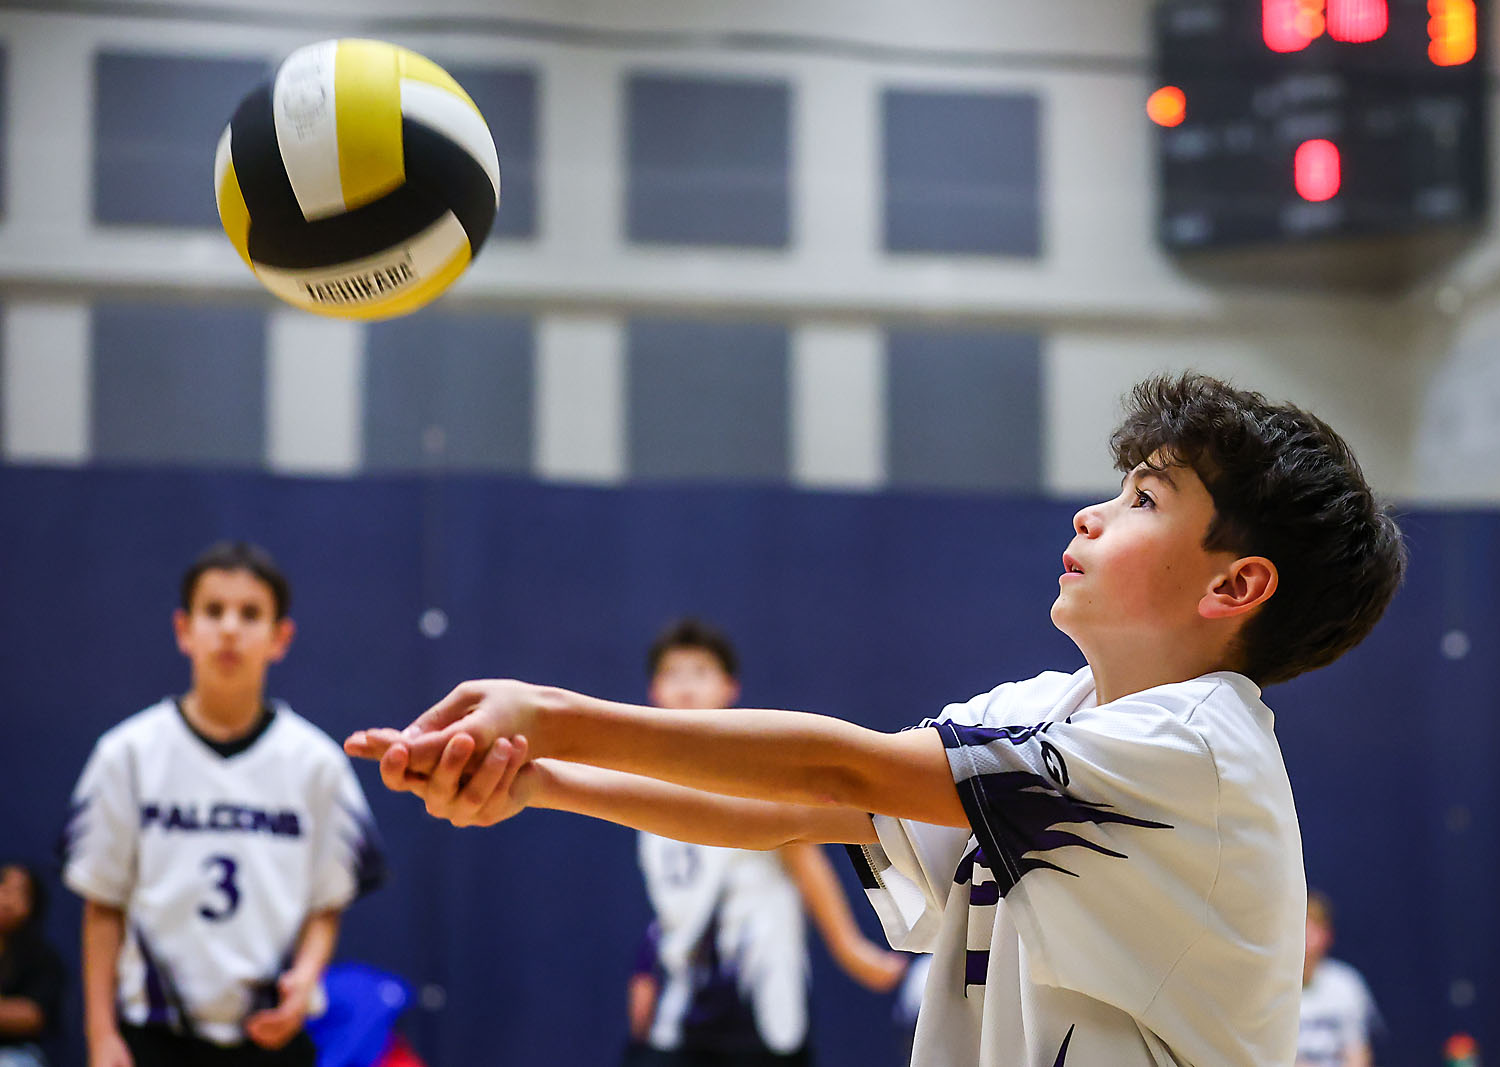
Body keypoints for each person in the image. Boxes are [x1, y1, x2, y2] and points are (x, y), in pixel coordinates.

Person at [346, 372, 1407, 1066]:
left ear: (1234, 585)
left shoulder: (1195, 749)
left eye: (1143, 498)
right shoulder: (1045, 712)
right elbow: (810, 801)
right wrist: (535, 777)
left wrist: (555, 715)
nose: (1092, 510)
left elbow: (846, 771)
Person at [61, 541, 386, 1067]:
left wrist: (304, 983)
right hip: (153, 1036)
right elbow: (103, 904)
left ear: (281, 638)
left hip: (271, 1038)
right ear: (183, 629)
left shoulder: (317, 763)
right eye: (214, 611)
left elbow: (328, 902)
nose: (230, 628)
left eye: (250, 614)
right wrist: (100, 1034)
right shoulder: (127, 754)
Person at [622, 619, 904, 1066]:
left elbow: (804, 859)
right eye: (673, 675)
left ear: (729, 689)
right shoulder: (643, 784)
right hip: (677, 1014)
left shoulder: (749, 770)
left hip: (760, 1012)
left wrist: (849, 946)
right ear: (654, 691)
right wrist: (645, 970)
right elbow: (677, 902)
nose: (686, 687)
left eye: (700, 672)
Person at [1296, 891, 1381, 1067]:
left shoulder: (1346, 983)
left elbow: (1358, 1051)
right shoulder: (1268, 988)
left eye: (1314, 927)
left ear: (1328, 935)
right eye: (1301, 927)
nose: (1307, 936)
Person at [0, 863, 66, 1067]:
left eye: (18, 892)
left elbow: (33, 1016)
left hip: (16, 1052)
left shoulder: (41, 956)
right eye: (3, 887)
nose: (6, 900)